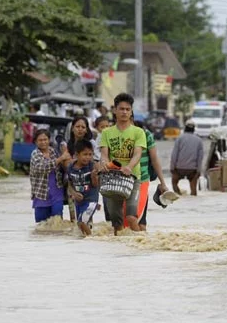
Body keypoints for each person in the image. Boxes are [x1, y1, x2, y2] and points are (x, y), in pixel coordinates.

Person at [99, 93, 146, 235]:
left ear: (131, 112)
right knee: (117, 224)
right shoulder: (106, 132)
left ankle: (142, 244)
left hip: (133, 178)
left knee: (131, 218)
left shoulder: (138, 132)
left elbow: (138, 153)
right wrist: (105, 164)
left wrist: (129, 167)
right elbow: (104, 154)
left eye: (127, 109)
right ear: (115, 111)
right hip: (113, 179)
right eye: (121, 109)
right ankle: (119, 254)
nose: (124, 112)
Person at [135, 117, 170, 231]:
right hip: (123, 181)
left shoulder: (147, 135)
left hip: (142, 180)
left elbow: (155, 159)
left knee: (140, 220)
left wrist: (163, 183)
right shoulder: (117, 134)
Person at [29, 129, 71, 223]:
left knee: (57, 222)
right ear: (36, 141)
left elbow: (63, 166)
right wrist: (60, 159)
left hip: (57, 192)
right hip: (41, 194)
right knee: (41, 225)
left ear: (49, 140)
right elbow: (43, 168)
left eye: (45, 139)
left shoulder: (54, 152)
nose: (43, 142)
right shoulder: (35, 154)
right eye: (40, 140)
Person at [67, 140, 100, 236]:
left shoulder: (92, 166)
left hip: (91, 201)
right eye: (85, 154)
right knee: (80, 225)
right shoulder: (71, 167)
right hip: (79, 202)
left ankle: (92, 239)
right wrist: (73, 193)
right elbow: (69, 184)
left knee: (82, 222)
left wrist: (94, 176)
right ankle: (86, 242)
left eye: (90, 154)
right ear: (77, 155)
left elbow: (95, 185)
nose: (88, 157)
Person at [170, 119, 204, 196]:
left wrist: (172, 168)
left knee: (174, 183)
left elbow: (174, 154)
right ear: (194, 129)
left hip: (179, 168)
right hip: (192, 170)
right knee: (193, 188)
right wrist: (198, 171)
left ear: (185, 127)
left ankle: (179, 196)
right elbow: (200, 158)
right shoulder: (199, 140)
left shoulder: (179, 138)